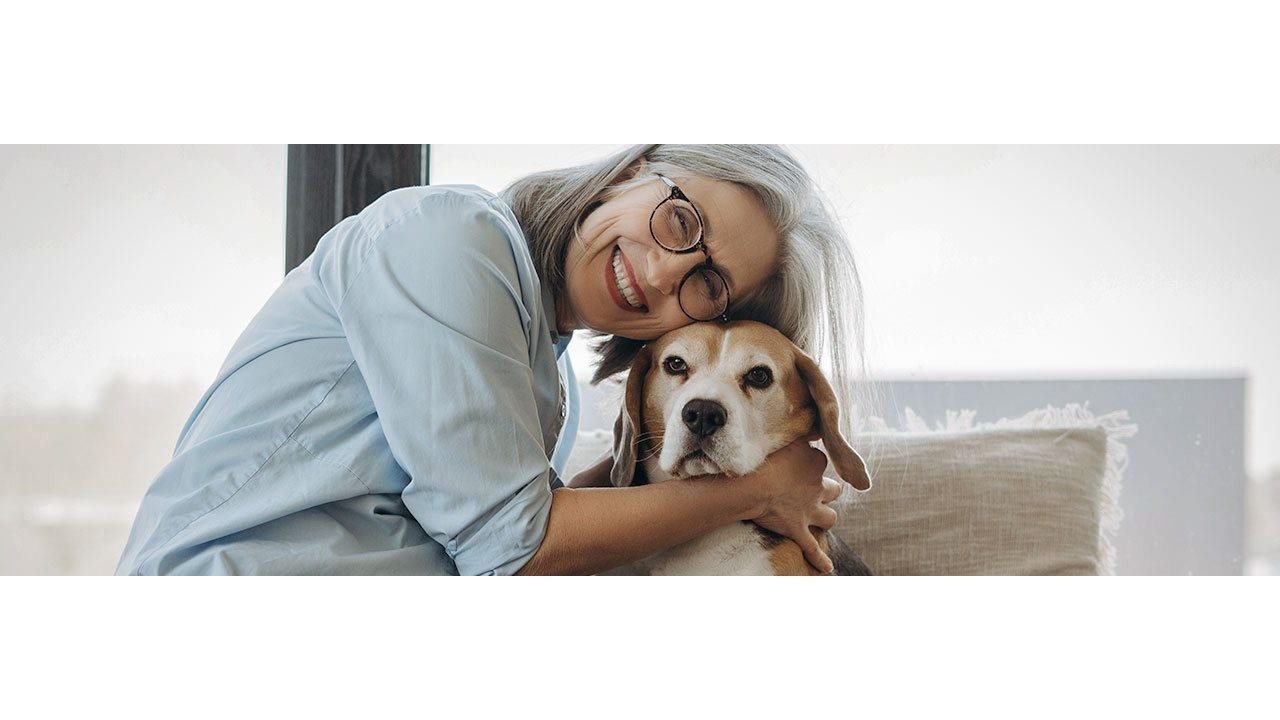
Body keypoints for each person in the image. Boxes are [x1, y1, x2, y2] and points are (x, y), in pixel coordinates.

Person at [115, 144, 869, 576]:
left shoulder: (546, 357)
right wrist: (758, 490)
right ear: (630, 172)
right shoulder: (450, 240)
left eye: (708, 285)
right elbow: (514, 546)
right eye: (681, 220)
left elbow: (505, 520)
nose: (667, 271)